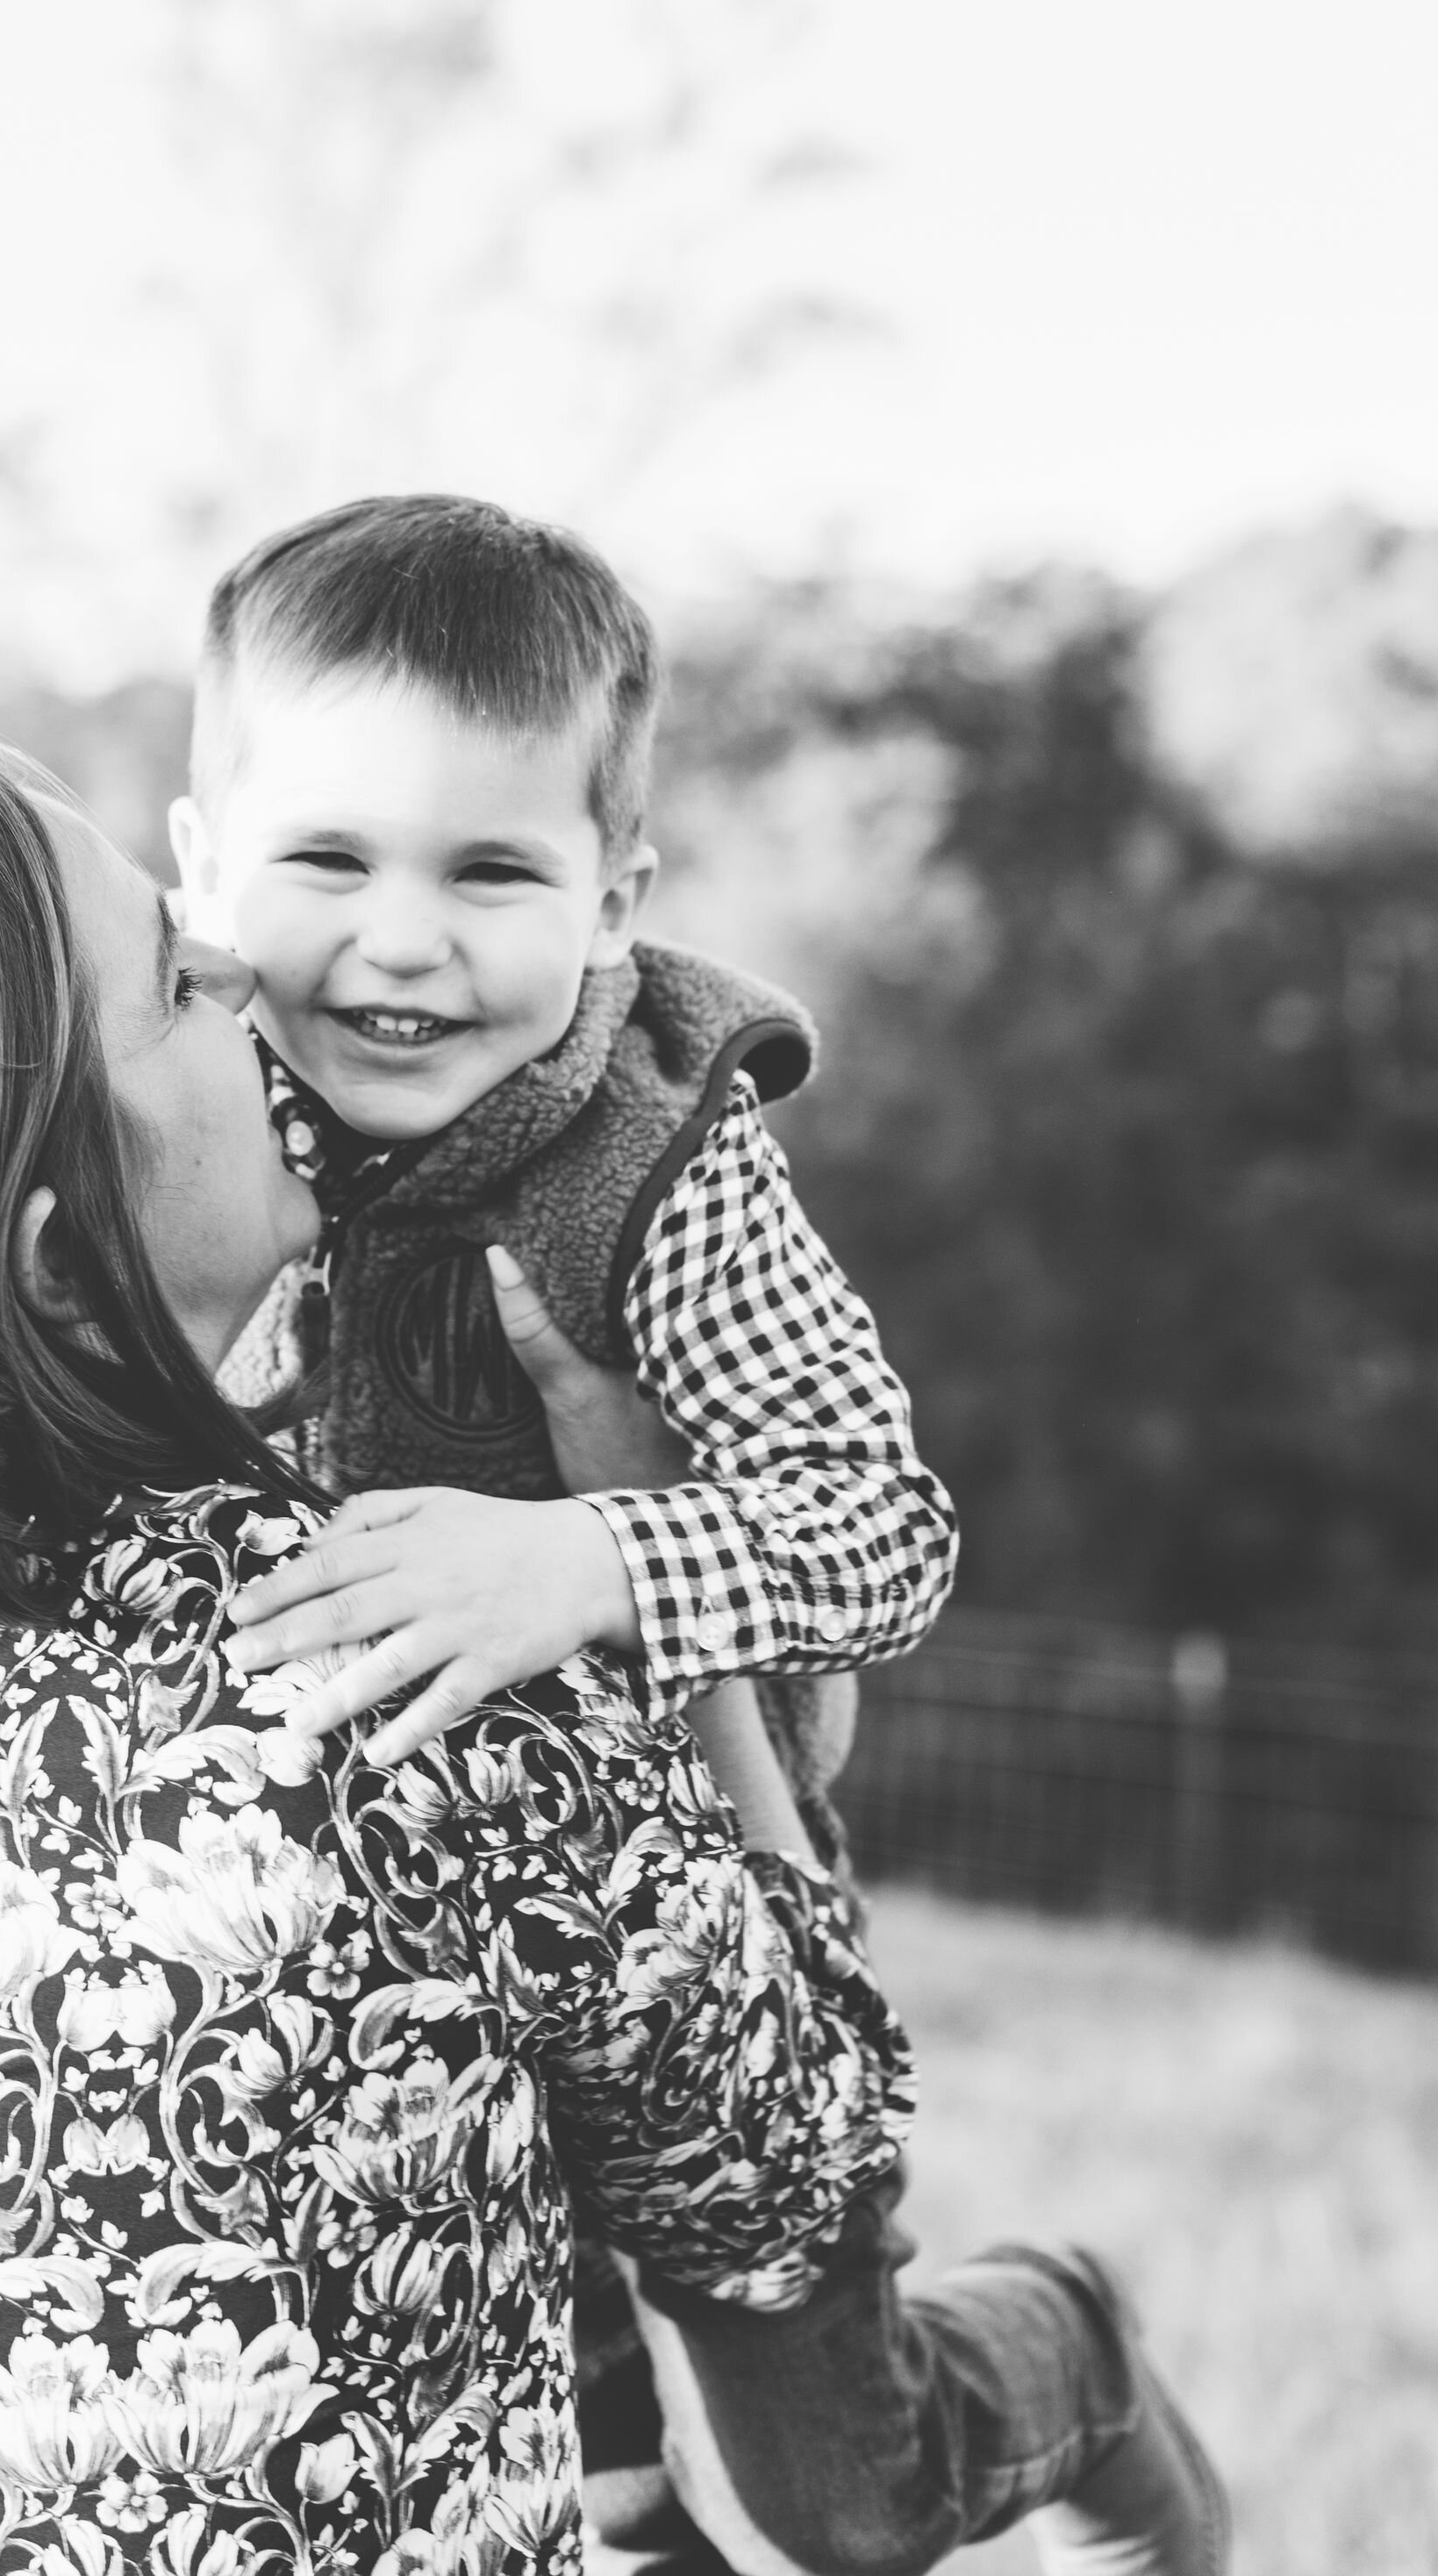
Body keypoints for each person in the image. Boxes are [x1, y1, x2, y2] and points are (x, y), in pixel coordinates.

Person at [0, 726, 914, 2576]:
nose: (245, 970)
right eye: (167, 981)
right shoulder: (392, 1680)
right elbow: (797, 2179)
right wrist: (651, 1568)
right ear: (63, 1271)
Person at [167, 497, 1230, 2576]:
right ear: (203, 867)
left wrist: (587, 1560)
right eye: (326, 860)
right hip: (387, 1934)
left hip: (701, 1897)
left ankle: (1069, 2349)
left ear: (617, 894)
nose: (402, 940)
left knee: (846, 2501)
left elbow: (883, 1526)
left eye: (492, 870)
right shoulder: (172, 1111)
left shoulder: (659, 1167)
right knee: (575, 2490)